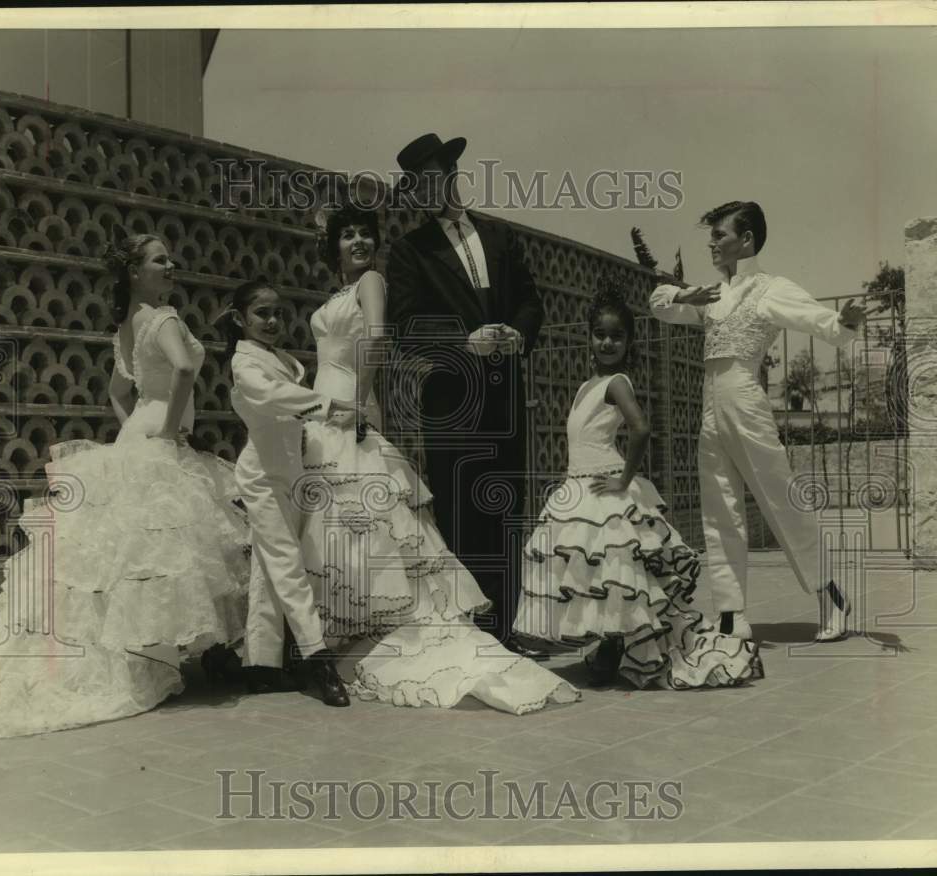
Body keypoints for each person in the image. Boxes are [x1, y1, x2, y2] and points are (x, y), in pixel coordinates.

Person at [0, 233, 250, 740]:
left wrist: (138, 424)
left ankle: (149, 651)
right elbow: (186, 367)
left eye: (170, 258)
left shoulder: (127, 326)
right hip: (158, 439)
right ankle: (154, 655)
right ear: (134, 271)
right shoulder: (163, 315)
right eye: (159, 260)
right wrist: (170, 426)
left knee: (128, 555)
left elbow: (116, 392)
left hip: (137, 435)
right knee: (157, 550)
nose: (171, 265)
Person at [298, 201, 580, 714]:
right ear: (332, 246)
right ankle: (337, 629)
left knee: (366, 519)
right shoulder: (338, 293)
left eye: (366, 234)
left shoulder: (372, 283)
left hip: (349, 405)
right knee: (333, 522)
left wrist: (359, 403)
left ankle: (378, 628)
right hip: (322, 405)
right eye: (348, 235)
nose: (359, 242)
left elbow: (382, 338)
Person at [513, 286, 764, 688]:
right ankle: (610, 645)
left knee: (617, 570)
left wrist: (624, 480)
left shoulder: (617, 382)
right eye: (600, 334)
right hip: (578, 485)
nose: (607, 342)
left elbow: (641, 428)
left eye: (616, 336)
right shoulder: (586, 386)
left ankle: (617, 647)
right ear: (588, 336)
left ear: (628, 342)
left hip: (605, 488)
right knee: (594, 575)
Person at [650, 201, 868, 642]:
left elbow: (821, 320)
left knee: (781, 501)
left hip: (746, 402)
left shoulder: (769, 288)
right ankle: (731, 613)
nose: (712, 243)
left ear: (746, 240)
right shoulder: (710, 294)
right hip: (710, 408)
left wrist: (841, 322)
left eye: (720, 236)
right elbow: (658, 305)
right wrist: (680, 295)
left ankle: (831, 595)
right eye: (710, 236)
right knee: (719, 508)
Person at [385, 132, 546, 658]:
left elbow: (529, 301)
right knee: (459, 513)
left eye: (435, 178)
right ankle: (471, 633)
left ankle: (504, 628)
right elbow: (406, 326)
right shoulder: (411, 251)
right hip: (453, 404)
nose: (428, 191)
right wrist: (464, 342)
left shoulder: (499, 237)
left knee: (505, 510)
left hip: (505, 398)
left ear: (452, 176)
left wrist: (519, 335)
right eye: (417, 186)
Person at [222, 280, 361, 707]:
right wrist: (329, 404)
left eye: (278, 313)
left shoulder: (280, 358)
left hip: (291, 474)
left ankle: (261, 667)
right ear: (240, 319)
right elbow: (270, 395)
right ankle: (318, 660)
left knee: (270, 568)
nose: (272, 321)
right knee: (288, 566)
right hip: (261, 476)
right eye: (262, 313)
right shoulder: (243, 362)